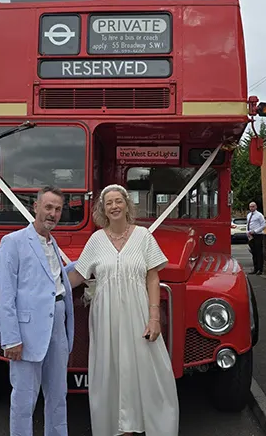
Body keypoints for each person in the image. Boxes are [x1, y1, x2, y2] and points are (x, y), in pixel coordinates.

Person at [66, 184, 179, 436]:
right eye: (109, 203)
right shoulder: (96, 240)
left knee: (149, 369)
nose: (114, 206)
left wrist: (154, 317)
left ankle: (153, 426)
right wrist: (45, 289)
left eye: (119, 201)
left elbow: (152, 277)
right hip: (105, 317)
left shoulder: (143, 236)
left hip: (139, 313)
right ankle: (117, 428)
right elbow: (78, 275)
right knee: (111, 370)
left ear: (127, 205)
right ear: (103, 209)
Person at [0, 186, 75, 436]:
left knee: (58, 396)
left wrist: (91, 265)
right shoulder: (13, 242)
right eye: (48, 207)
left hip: (57, 330)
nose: (53, 213)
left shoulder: (52, 243)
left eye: (58, 209)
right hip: (25, 334)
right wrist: (12, 339)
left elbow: (52, 281)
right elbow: (4, 293)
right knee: (24, 400)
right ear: (35, 207)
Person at [246, 202, 266, 275]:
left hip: (258, 235)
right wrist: (247, 232)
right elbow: (248, 224)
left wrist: (255, 231)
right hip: (251, 236)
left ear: (256, 207)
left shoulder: (259, 215)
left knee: (258, 253)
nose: (251, 208)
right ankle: (255, 268)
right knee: (253, 252)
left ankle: (260, 270)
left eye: (253, 206)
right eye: (250, 206)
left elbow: (263, 225)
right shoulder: (248, 215)